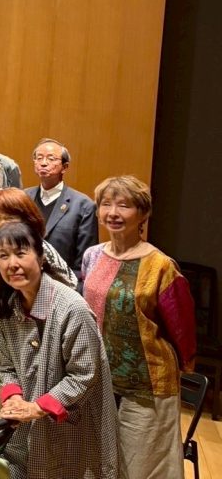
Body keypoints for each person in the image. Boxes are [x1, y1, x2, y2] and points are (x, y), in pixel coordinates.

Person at [82, 176, 196, 479]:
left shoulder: (161, 265)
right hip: (99, 379)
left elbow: (182, 327)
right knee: (99, 461)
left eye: (124, 205)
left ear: (143, 214)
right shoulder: (92, 255)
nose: (113, 213)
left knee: (142, 466)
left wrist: (185, 364)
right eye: (106, 204)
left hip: (146, 383)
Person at [0, 223, 120, 479]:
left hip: (74, 427)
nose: (12, 264)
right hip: (29, 429)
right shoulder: (8, 307)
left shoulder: (72, 308)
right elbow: (6, 367)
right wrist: (14, 399)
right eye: (3, 255)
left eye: (21, 253)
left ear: (41, 258)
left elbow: (83, 375)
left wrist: (37, 407)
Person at [0, 188, 77, 289]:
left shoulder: (42, 249)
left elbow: (68, 288)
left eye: (10, 218)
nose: (2, 223)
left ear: (26, 220)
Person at [25, 138, 97, 282]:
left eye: (51, 159)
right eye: (39, 158)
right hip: (25, 280)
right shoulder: (23, 198)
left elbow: (84, 261)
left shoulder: (83, 205)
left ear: (65, 167)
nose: (43, 163)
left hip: (63, 284)